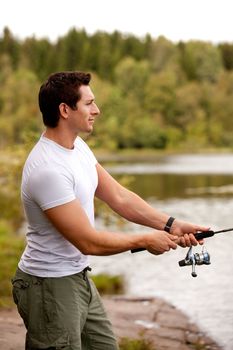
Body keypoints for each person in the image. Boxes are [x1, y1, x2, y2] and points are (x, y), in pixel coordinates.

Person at [12, 71, 208, 350]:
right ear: (65, 110)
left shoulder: (76, 147)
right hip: (49, 287)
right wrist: (144, 240)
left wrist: (172, 225)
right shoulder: (47, 170)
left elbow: (118, 197)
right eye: (89, 103)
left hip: (78, 278)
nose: (97, 110)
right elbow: (87, 241)